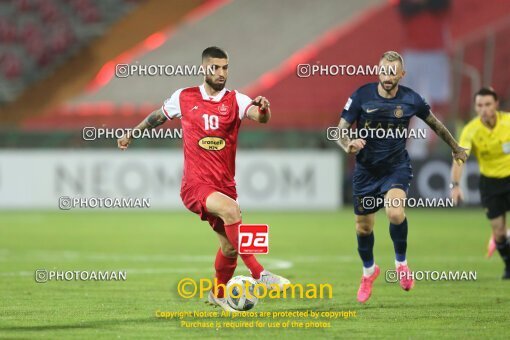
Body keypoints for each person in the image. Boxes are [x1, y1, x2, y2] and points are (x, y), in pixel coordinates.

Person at [117, 46, 290, 311]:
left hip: (224, 186)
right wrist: (132, 133)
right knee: (232, 211)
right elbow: (157, 117)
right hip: (195, 185)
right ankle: (260, 273)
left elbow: (260, 117)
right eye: (216, 67)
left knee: (230, 248)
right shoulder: (184, 97)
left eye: (225, 67)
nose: (222, 73)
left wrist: (264, 109)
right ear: (203, 68)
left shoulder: (236, 100)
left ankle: (218, 294)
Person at [335, 51, 467, 303]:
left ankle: (401, 264)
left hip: (395, 168)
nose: (388, 75)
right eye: (384, 70)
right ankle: (369, 272)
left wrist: (455, 147)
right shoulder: (361, 95)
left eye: (393, 71)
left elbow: (435, 124)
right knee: (363, 228)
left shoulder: (411, 99)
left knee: (395, 212)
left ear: (401, 74)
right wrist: (347, 144)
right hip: (365, 171)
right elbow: (340, 129)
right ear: (378, 71)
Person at [451, 87, 510, 279]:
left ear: (496, 105)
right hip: (490, 184)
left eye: (487, 104)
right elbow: (460, 158)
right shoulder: (471, 130)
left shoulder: (508, 122)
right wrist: (456, 185)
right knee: (499, 232)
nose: (483, 109)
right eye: (479, 105)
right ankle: (509, 265)